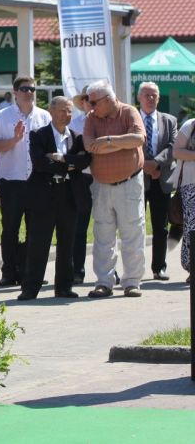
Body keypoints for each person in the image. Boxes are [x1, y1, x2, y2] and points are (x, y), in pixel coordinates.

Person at [19, 97, 91, 301]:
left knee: (67, 242)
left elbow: (85, 160)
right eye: (62, 110)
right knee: (38, 243)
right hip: (44, 195)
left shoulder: (77, 137)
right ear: (51, 111)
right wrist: (69, 165)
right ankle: (30, 288)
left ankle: (64, 287)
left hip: (69, 195)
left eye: (69, 111)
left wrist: (62, 159)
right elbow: (40, 164)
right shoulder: (38, 135)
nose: (66, 115)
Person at [82, 80, 146, 298]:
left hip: (128, 184)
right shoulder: (91, 118)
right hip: (101, 186)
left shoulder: (129, 112)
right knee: (103, 235)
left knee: (132, 233)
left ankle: (132, 282)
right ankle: (104, 282)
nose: (90, 107)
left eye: (94, 102)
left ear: (108, 100)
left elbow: (138, 138)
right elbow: (90, 145)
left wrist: (109, 141)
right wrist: (122, 144)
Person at [0, 76, 51, 286]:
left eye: (32, 89)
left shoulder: (44, 116)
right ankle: (9, 272)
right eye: (24, 89)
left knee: (35, 230)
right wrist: (14, 140)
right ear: (15, 92)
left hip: (37, 182)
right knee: (10, 230)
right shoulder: (2, 117)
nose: (29, 92)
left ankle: (31, 273)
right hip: (11, 181)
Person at [138, 82, 177, 281]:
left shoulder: (169, 120)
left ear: (159, 98)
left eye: (154, 95)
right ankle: (135, 270)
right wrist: (145, 165)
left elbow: (172, 147)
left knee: (161, 226)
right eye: (147, 95)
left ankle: (159, 267)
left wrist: (156, 165)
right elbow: (130, 145)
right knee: (136, 225)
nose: (150, 98)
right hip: (137, 179)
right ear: (139, 98)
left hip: (161, 179)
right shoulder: (132, 118)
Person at [69, 91, 94, 284]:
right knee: (79, 228)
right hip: (82, 178)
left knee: (107, 227)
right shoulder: (75, 124)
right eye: (87, 100)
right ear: (82, 102)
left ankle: (109, 271)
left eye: (94, 100)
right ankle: (77, 270)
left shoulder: (106, 121)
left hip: (105, 178)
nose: (90, 104)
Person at [172, 117, 195, 285]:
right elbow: (177, 151)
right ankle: (191, 267)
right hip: (191, 184)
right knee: (192, 227)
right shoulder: (191, 125)